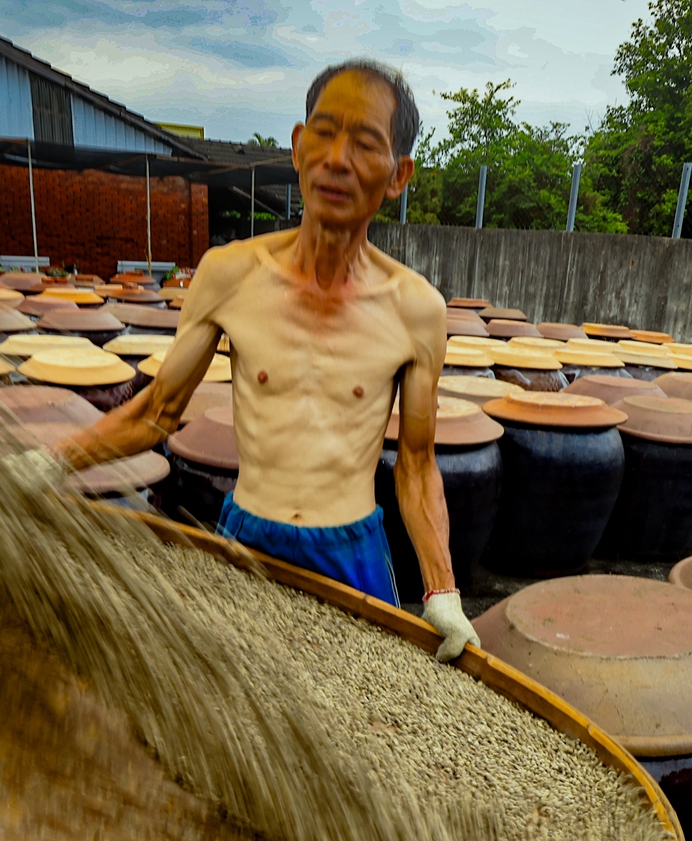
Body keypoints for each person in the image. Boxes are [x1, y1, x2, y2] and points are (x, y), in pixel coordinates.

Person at [54, 60, 478, 661]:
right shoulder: (230, 275)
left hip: (351, 553)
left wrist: (442, 590)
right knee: (231, 711)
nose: (337, 158)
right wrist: (44, 466)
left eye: (364, 145)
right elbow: (156, 412)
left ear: (397, 175)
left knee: (357, 722)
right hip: (248, 538)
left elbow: (416, 464)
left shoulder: (416, 310)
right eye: (324, 134)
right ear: (299, 147)